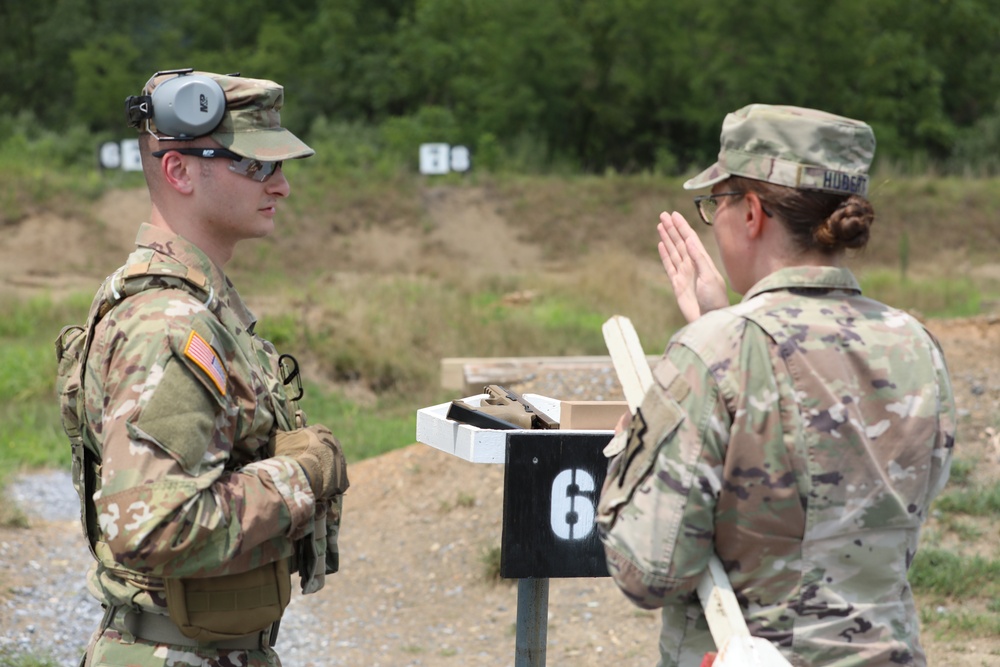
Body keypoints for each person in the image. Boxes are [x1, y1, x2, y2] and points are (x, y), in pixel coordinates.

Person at [596, 104, 955, 667]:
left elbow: (649, 572)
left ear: (752, 212)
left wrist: (635, 443)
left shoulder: (717, 353)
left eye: (718, 203)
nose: (714, 223)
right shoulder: (916, 344)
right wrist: (727, 326)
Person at [56, 69, 349, 666]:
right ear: (179, 170)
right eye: (256, 166)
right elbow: (153, 525)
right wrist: (303, 476)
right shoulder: (167, 325)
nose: (282, 185)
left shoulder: (195, 309)